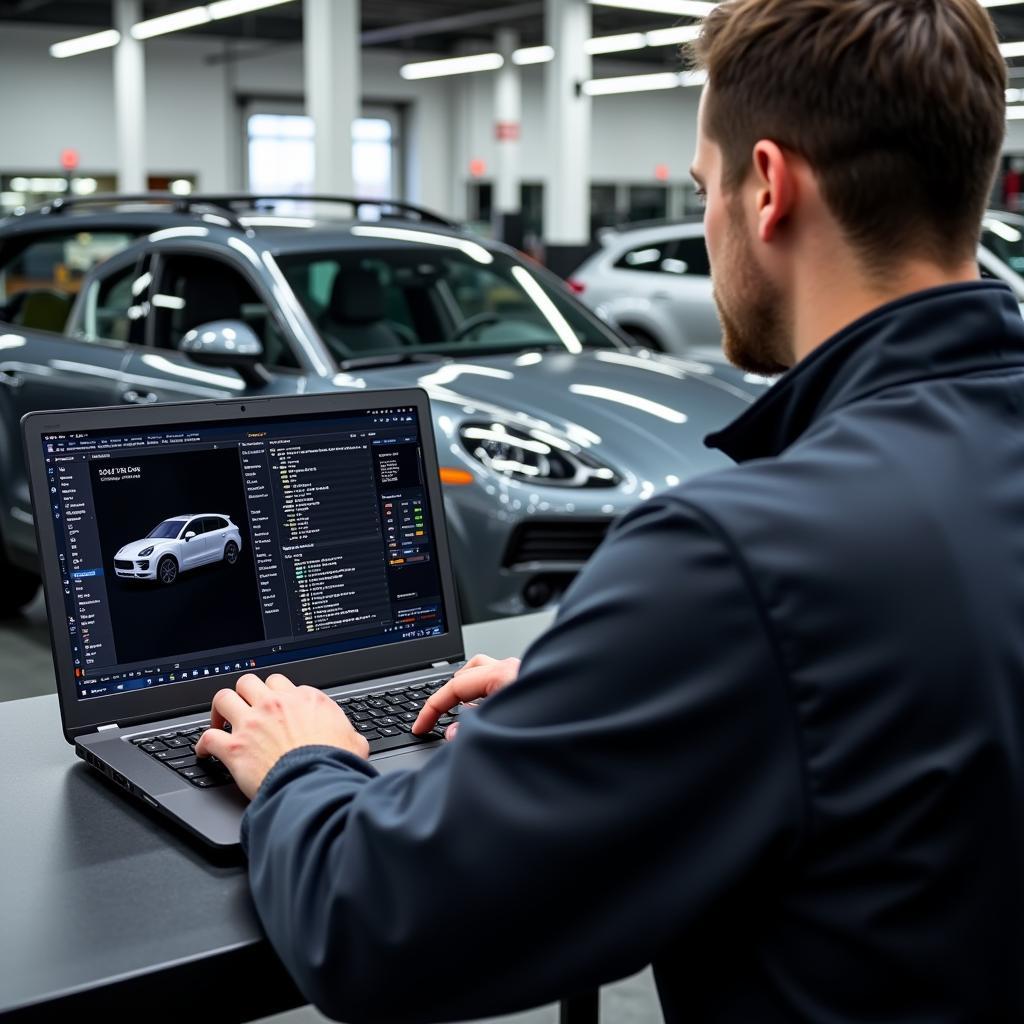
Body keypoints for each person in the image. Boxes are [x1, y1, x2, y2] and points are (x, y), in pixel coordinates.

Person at [195, 0, 1024, 1020]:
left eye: (700, 189)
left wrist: (301, 762)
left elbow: (373, 923)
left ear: (764, 187)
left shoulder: (737, 560)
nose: (709, 217)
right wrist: (604, 686)